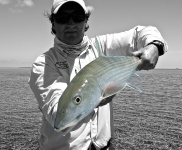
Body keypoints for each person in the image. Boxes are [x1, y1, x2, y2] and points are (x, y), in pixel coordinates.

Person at [28, 0, 168, 149]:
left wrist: (154, 46)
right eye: (62, 18)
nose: (70, 23)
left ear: (86, 21)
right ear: (53, 24)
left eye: (77, 17)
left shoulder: (101, 46)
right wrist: (99, 96)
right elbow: (57, 115)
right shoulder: (43, 64)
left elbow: (141, 32)